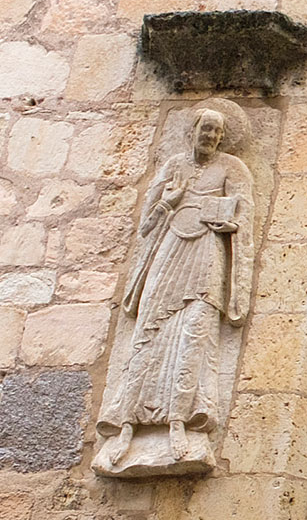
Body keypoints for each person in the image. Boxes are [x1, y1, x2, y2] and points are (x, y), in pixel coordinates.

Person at [96, 104, 254, 475]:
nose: (210, 136)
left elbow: (244, 214)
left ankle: (179, 423)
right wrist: (170, 199)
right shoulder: (174, 166)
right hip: (169, 252)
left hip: (207, 255)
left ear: (223, 137)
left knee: (194, 336)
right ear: (193, 130)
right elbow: (147, 223)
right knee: (148, 334)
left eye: (216, 132)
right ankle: (127, 426)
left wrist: (230, 224)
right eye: (205, 129)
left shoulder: (233, 168)